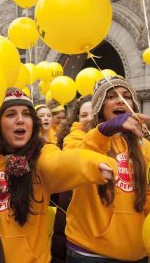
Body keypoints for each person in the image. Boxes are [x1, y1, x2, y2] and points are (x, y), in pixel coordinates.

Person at [0, 88, 118, 262]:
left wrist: (94, 164)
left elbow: (61, 163)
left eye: (26, 114)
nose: (20, 120)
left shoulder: (42, 153)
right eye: (11, 114)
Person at [65, 76, 150, 262]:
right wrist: (104, 132)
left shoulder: (144, 147)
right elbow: (75, 163)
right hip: (91, 253)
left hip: (138, 252)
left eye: (127, 96)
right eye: (111, 96)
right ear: (99, 107)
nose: (121, 100)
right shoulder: (78, 138)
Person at [50, 95, 92, 263]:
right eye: (83, 116)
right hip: (75, 234)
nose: (89, 119)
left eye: (94, 114)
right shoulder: (67, 145)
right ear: (75, 120)